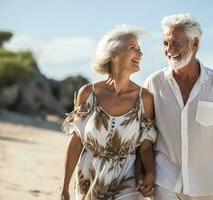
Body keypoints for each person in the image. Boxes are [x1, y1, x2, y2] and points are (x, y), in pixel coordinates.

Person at [141, 13, 213, 200]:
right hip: (165, 182)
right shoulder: (153, 83)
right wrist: (143, 173)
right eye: (165, 43)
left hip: (206, 185)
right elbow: (143, 135)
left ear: (195, 44)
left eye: (176, 43)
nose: (169, 49)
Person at [60, 25, 156, 200]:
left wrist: (150, 173)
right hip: (88, 177)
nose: (140, 54)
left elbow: (146, 146)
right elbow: (76, 142)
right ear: (114, 55)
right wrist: (64, 186)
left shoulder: (145, 98)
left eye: (140, 49)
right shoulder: (88, 94)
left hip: (127, 180)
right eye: (133, 48)